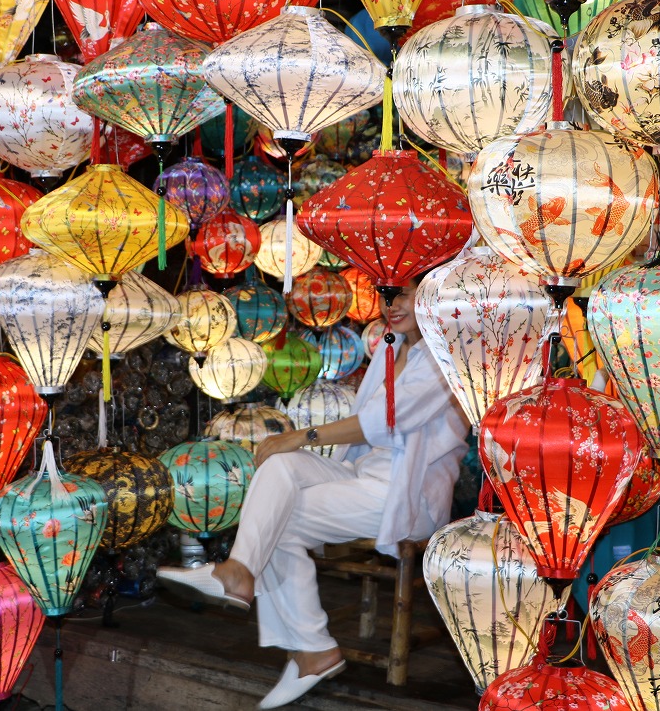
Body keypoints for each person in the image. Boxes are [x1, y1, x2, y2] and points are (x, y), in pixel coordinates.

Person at [157, 278, 469, 709]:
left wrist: (302, 435)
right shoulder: (393, 347)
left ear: (433, 295)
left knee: (278, 516)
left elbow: (384, 422)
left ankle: (309, 646)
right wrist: (292, 445)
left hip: (405, 495)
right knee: (279, 468)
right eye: (386, 294)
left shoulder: (446, 357)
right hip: (362, 476)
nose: (391, 304)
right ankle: (241, 572)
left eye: (403, 292)